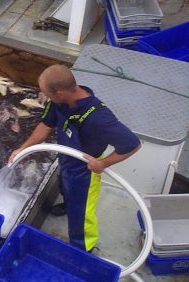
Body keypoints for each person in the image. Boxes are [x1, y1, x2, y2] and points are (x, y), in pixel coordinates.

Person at [9, 65, 141, 252]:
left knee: (81, 215)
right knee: (66, 188)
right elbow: (46, 125)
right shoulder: (59, 102)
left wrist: (102, 163)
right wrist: (23, 149)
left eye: (46, 92)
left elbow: (132, 144)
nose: (44, 96)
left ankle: (83, 249)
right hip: (66, 158)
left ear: (60, 92)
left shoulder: (99, 117)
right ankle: (68, 204)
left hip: (86, 169)